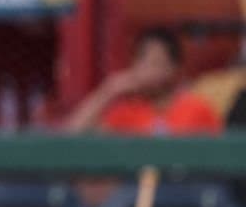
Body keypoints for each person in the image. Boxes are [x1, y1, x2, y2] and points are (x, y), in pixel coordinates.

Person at [66, 27, 221, 137]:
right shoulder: (127, 111)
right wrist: (109, 91)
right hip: (133, 183)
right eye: (142, 62)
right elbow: (70, 136)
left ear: (174, 68)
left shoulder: (197, 108)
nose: (148, 72)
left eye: (156, 63)